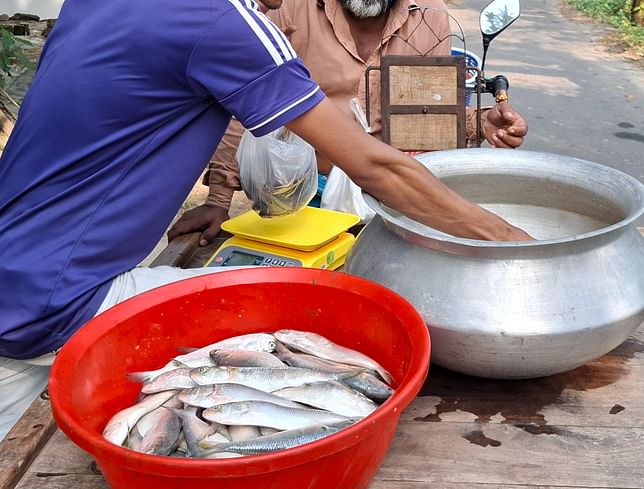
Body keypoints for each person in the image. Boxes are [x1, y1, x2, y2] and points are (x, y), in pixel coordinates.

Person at [0, 0, 531, 439]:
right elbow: (374, 166)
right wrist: (513, 242)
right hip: (67, 300)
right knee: (333, 314)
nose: (278, 8)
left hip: (15, 281)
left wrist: (471, 123)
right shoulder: (223, 20)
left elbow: (419, 128)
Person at [168, 0, 529, 245]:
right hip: (300, 188)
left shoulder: (430, 14)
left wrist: (477, 123)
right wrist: (218, 199)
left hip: (394, 189)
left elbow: (423, 113)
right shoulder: (287, 7)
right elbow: (243, 102)